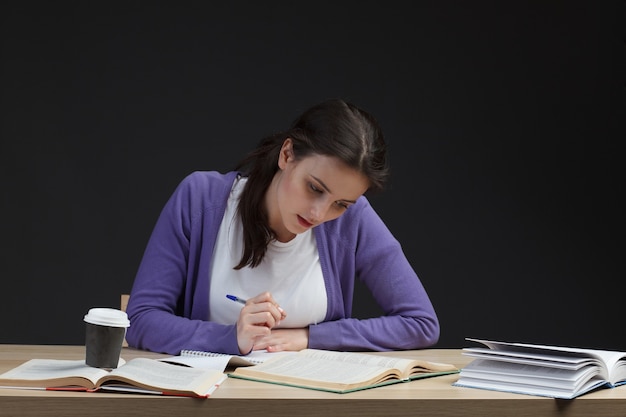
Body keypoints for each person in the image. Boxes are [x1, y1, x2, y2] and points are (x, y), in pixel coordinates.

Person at [125, 98, 440, 355]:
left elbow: (420, 323)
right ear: (287, 154)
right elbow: (141, 320)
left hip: (309, 401)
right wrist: (230, 338)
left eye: (340, 204)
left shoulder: (353, 219)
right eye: (315, 188)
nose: (319, 213)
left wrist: (310, 336)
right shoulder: (200, 199)